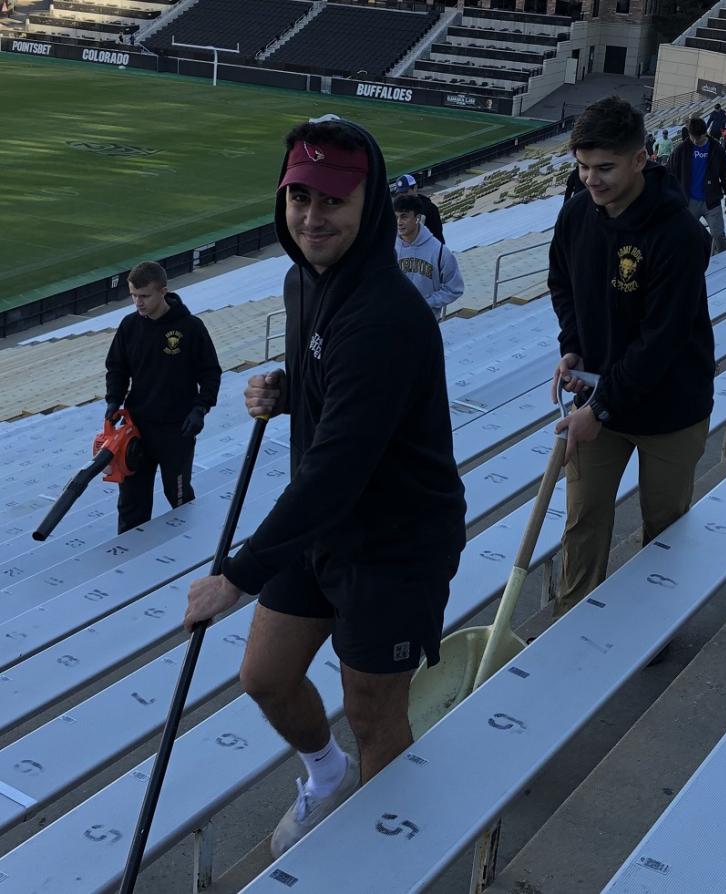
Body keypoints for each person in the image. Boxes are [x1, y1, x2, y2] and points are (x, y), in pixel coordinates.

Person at [183, 117, 466, 858]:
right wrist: (286, 388)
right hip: (324, 528)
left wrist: (238, 575)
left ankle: (384, 860)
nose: (313, 216)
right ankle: (326, 774)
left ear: (368, 204)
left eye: (333, 200)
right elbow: (329, 382)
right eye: (299, 196)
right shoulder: (302, 278)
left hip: (395, 544)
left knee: (374, 714)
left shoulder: (386, 314)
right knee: (265, 676)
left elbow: (341, 464)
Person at [548, 96, 715, 620]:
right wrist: (572, 344)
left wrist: (599, 410)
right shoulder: (576, 213)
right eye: (581, 166)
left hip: (669, 408)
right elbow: (562, 284)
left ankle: (652, 625)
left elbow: (660, 342)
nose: (590, 180)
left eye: (604, 168)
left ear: (640, 158)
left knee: (664, 524)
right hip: (599, 395)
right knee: (583, 518)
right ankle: (572, 619)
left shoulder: (681, 234)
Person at [105, 261, 221, 534]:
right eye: (133, 295)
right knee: (131, 503)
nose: (138, 302)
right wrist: (113, 400)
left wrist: (201, 408)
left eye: (144, 296)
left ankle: (185, 552)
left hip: (176, 430)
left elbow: (210, 372)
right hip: (136, 429)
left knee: (179, 498)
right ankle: (130, 562)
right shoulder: (130, 325)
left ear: (163, 291)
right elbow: (117, 368)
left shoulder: (191, 328)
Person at [667, 116, 726, 253]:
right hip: (689, 201)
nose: (696, 141)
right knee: (685, 236)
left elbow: (725, 173)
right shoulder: (681, 150)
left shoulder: (716, 149)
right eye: (693, 137)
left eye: (699, 138)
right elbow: (670, 173)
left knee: (719, 235)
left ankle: (724, 260)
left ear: (705, 133)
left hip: (711, 201)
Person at [394, 193, 464, 318]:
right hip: (394, 320)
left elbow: (455, 288)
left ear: (417, 217)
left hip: (426, 321)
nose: (399, 222)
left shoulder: (440, 251)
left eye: (404, 217)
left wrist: (427, 302)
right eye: (396, 217)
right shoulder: (389, 247)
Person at [394, 173, 445, 244]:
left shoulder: (429, 208)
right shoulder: (398, 208)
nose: (402, 196)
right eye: (400, 193)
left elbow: (437, 234)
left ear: (415, 188)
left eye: (405, 192)